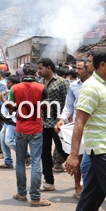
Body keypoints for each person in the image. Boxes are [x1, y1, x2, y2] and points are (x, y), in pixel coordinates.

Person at [66, 49, 106, 211]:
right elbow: (80, 122)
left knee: (90, 199)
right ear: (103, 65)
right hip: (103, 149)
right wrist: (73, 155)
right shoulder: (91, 87)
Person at [8, 63, 51, 207]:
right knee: (36, 162)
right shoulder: (42, 88)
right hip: (36, 128)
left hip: (20, 128)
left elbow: (11, 108)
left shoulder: (14, 88)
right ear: (35, 74)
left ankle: (21, 194)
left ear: (23, 73)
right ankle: (35, 198)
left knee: (20, 161)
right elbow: (46, 106)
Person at [54, 59, 92, 199]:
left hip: (94, 126)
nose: (77, 71)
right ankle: (78, 186)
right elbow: (69, 106)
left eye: (80, 68)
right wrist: (62, 119)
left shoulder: (97, 85)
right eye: (76, 68)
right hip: (78, 125)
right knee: (78, 157)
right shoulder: (74, 86)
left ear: (89, 69)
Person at [36, 58, 69, 191]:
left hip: (58, 123)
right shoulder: (39, 83)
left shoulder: (61, 82)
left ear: (49, 68)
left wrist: (66, 121)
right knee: (45, 153)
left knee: (63, 151)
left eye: (40, 68)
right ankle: (49, 181)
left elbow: (68, 103)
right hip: (44, 124)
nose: (38, 71)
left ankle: (82, 176)